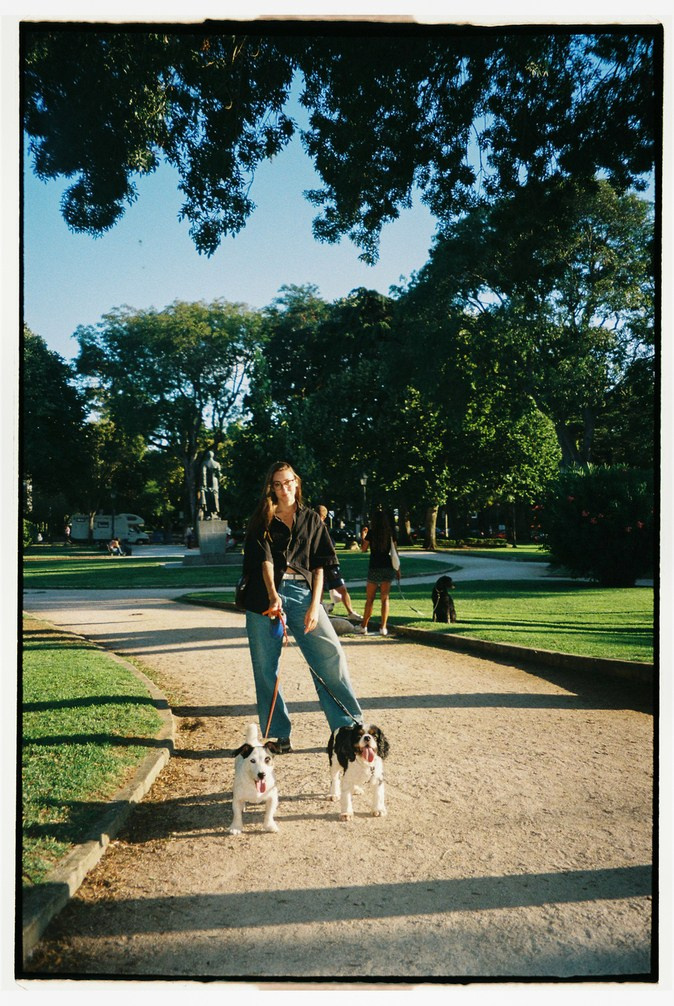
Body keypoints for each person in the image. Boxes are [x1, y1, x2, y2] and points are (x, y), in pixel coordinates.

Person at [241, 462, 363, 752]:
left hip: (303, 593)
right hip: (263, 598)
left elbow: (320, 565)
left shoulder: (312, 519)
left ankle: (348, 727)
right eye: (278, 484)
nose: (284, 489)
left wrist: (314, 605)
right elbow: (264, 560)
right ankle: (278, 735)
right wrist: (273, 597)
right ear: (271, 488)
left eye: (288, 482)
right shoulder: (262, 518)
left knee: (330, 656)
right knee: (266, 668)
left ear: (296, 483)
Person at [355, 505, 400, 637]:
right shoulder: (390, 533)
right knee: (385, 599)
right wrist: (398, 569)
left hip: (374, 567)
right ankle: (383, 627)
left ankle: (364, 626)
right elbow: (395, 552)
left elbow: (363, 549)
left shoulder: (372, 533)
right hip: (387, 567)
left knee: (370, 599)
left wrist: (363, 536)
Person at [316, 505, 361, 622]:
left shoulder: (314, 528)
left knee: (319, 589)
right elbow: (331, 545)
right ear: (324, 516)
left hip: (319, 563)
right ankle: (350, 612)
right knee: (340, 588)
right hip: (329, 563)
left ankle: (320, 610)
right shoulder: (321, 528)